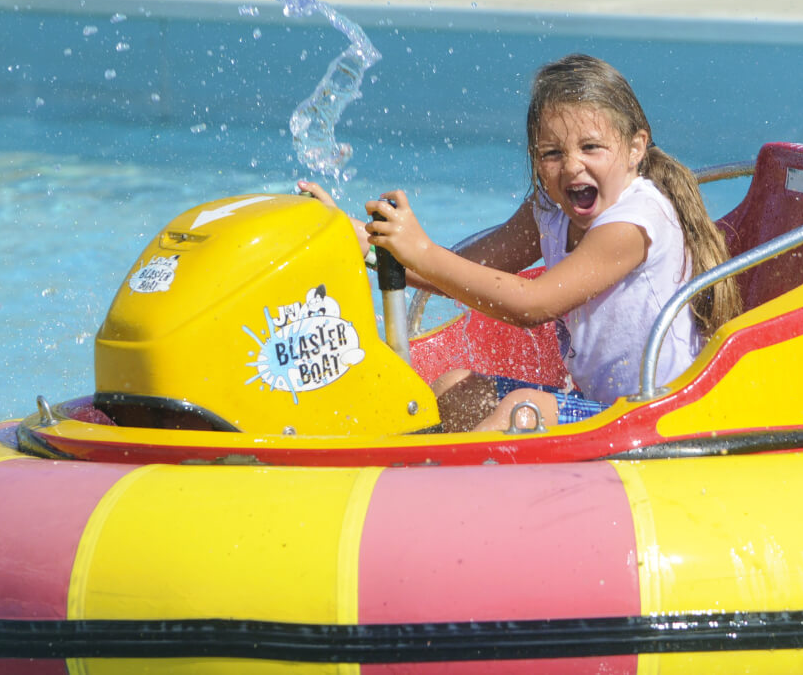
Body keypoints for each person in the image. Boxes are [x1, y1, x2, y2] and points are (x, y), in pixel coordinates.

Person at [300, 54, 741, 432]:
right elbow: (454, 274)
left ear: (635, 148)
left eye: (591, 147)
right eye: (552, 153)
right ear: (534, 157)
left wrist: (424, 253)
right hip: (602, 408)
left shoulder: (634, 223)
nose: (571, 167)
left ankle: (438, 494)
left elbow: (533, 305)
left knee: (520, 410)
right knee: (455, 389)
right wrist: (367, 242)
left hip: (658, 415)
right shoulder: (549, 210)